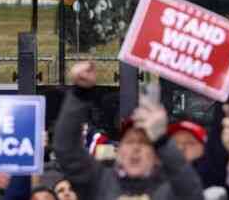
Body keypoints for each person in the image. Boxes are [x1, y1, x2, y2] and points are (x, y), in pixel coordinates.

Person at [53, 61, 204, 200]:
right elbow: (67, 149)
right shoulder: (99, 181)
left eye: (144, 143)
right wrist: (80, 93)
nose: (136, 148)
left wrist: (162, 140)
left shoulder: (169, 188)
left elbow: (191, 191)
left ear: (156, 155)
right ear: (119, 151)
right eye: (129, 141)